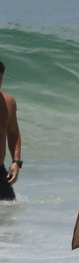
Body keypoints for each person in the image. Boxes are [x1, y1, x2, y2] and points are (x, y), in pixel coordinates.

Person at [0, 60, 19, 201]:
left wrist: (16, 161)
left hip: (0, 171)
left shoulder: (8, 103)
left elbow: (13, 133)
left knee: (10, 212)